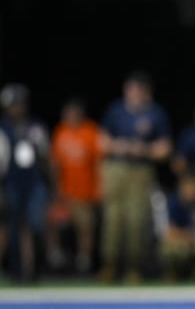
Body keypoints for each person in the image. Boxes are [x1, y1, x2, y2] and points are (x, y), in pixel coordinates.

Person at [98, 70, 172, 283]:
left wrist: (144, 150)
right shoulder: (116, 111)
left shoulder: (155, 113)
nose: (136, 94)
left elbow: (165, 148)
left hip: (141, 170)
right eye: (132, 90)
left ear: (147, 92)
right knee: (112, 219)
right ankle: (109, 265)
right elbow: (101, 141)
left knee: (137, 220)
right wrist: (119, 146)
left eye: (140, 90)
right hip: (116, 168)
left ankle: (134, 267)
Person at [0, 83, 51, 282]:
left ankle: (34, 268)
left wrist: (50, 184)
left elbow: (45, 157)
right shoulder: (3, 128)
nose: (18, 108)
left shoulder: (35, 126)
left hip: (34, 183)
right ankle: (15, 269)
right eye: (14, 104)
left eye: (20, 103)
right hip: (11, 183)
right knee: (12, 226)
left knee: (35, 225)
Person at [50, 98, 102, 275]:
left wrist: (99, 187)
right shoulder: (61, 131)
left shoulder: (91, 131)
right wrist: (57, 188)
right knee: (52, 222)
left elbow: (98, 162)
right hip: (65, 192)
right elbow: (55, 163)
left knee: (85, 228)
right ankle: (56, 257)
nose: (71, 117)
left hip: (85, 191)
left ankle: (84, 261)